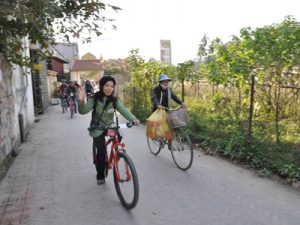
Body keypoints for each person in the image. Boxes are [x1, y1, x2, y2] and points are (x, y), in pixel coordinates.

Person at [78, 76, 140, 185]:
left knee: (119, 136)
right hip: (97, 128)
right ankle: (100, 175)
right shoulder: (95, 99)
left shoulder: (114, 100)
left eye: (112, 86)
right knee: (101, 152)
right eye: (107, 85)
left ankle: (115, 156)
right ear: (102, 86)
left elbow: (123, 109)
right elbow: (83, 111)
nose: (109, 88)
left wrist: (133, 119)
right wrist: (81, 100)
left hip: (110, 126)